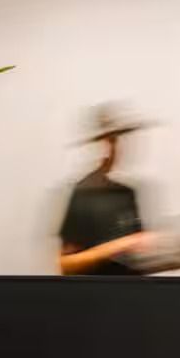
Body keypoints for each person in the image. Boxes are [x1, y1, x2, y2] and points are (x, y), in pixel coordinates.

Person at [57, 104, 159, 275]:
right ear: (98, 144)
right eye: (110, 140)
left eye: (117, 140)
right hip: (95, 295)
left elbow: (138, 254)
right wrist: (119, 246)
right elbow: (66, 264)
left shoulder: (127, 193)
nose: (116, 148)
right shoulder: (83, 193)